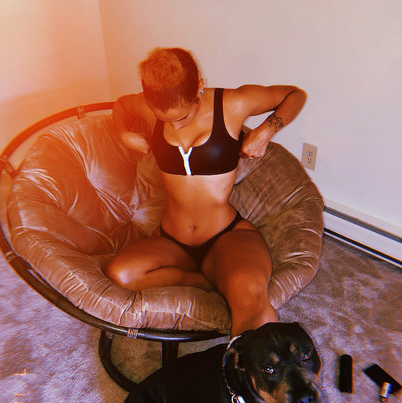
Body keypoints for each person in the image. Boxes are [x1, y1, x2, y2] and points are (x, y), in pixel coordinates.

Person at [105, 47, 306, 337]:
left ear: (199, 85)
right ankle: (209, 281)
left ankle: (244, 340)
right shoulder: (148, 106)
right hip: (172, 240)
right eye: (166, 119)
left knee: (250, 299)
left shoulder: (233, 103)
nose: (175, 125)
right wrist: (124, 133)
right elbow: (121, 106)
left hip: (225, 236)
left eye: (183, 116)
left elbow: (294, 95)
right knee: (120, 273)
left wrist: (266, 130)